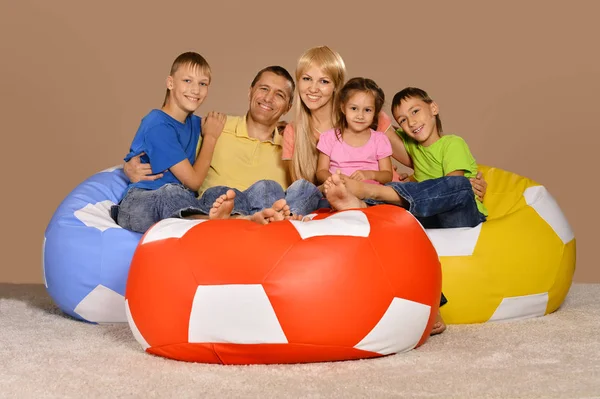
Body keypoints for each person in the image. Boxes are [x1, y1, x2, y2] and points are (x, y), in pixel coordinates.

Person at [113, 52, 288, 233]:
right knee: (172, 192)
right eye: (187, 81)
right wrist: (210, 138)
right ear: (170, 83)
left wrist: (281, 126)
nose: (195, 90)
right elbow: (194, 182)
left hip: (184, 203)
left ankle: (230, 220)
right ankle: (228, 221)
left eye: (202, 84)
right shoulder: (157, 123)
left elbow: (229, 126)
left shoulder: (196, 123)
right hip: (141, 203)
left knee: (220, 191)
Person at [123, 65, 322, 219]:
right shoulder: (214, 126)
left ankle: (282, 219)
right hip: (218, 210)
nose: (268, 98)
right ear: (250, 92)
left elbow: (315, 181)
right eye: (264, 89)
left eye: (279, 95)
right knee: (221, 193)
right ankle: (242, 220)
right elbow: (169, 137)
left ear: (288, 107)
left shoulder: (292, 144)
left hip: (268, 212)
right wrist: (129, 166)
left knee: (289, 189)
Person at [324, 87, 488, 229]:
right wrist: (410, 183)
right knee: (396, 187)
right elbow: (377, 116)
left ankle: (372, 192)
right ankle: (361, 205)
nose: (412, 122)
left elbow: (450, 188)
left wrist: (408, 188)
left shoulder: (452, 143)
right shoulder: (412, 144)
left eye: (415, 111)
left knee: (458, 184)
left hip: (461, 215)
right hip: (430, 216)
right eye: (403, 120)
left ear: (433, 108)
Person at [315, 77, 393, 187]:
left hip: (370, 193)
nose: (360, 116)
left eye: (367, 110)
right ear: (343, 108)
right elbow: (321, 172)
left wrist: (370, 174)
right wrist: (335, 179)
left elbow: (387, 175)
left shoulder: (379, 139)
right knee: (305, 188)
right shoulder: (329, 137)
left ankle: (358, 202)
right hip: (338, 188)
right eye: (354, 108)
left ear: (375, 112)